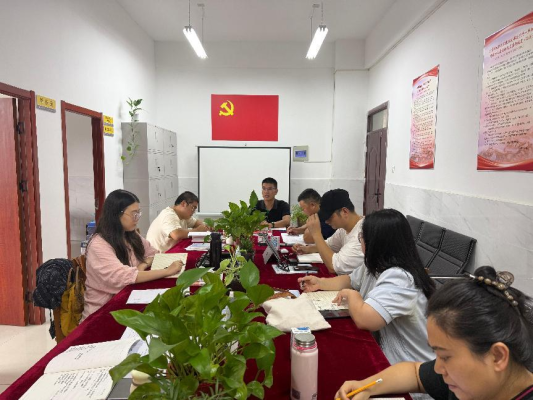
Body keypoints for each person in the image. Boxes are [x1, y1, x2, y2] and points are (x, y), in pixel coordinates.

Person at [335, 266, 533, 400]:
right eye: (436, 354)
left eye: (445, 357)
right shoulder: (474, 378)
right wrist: (366, 386)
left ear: (497, 356)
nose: (437, 368)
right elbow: (415, 373)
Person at [299, 209, 436, 366]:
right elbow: (349, 280)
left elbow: (365, 319)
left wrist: (352, 295)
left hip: (410, 367)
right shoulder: (376, 264)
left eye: (362, 237)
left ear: (376, 241)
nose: (360, 241)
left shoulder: (400, 278)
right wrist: (320, 283)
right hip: (386, 352)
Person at [82, 190, 183, 320]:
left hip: (128, 299)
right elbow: (122, 277)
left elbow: (154, 254)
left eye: (138, 213)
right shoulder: (98, 244)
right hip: (103, 311)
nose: (137, 218)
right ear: (116, 214)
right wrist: (167, 271)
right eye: (134, 214)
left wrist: (143, 265)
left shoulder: (130, 235)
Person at [293, 189, 363, 274]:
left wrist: (316, 234)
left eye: (329, 217)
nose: (326, 221)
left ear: (344, 212)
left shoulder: (361, 236)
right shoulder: (343, 229)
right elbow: (329, 245)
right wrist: (307, 249)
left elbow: (334, 267)